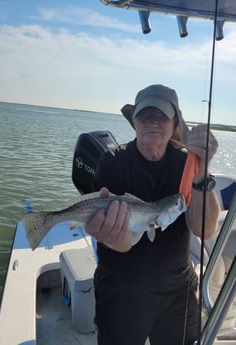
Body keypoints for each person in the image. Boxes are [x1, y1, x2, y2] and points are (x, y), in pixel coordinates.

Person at [85, 84, 220, 345]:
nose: (153, 122)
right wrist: (113, 236)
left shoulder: (186, 164)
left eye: (161, 116)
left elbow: (204, 229)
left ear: (174, 123)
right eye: (145, 115)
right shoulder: (112, 162)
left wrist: (203, 173)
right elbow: (121, 243)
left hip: (178, 290)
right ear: (134, 121)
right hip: (121, 287)